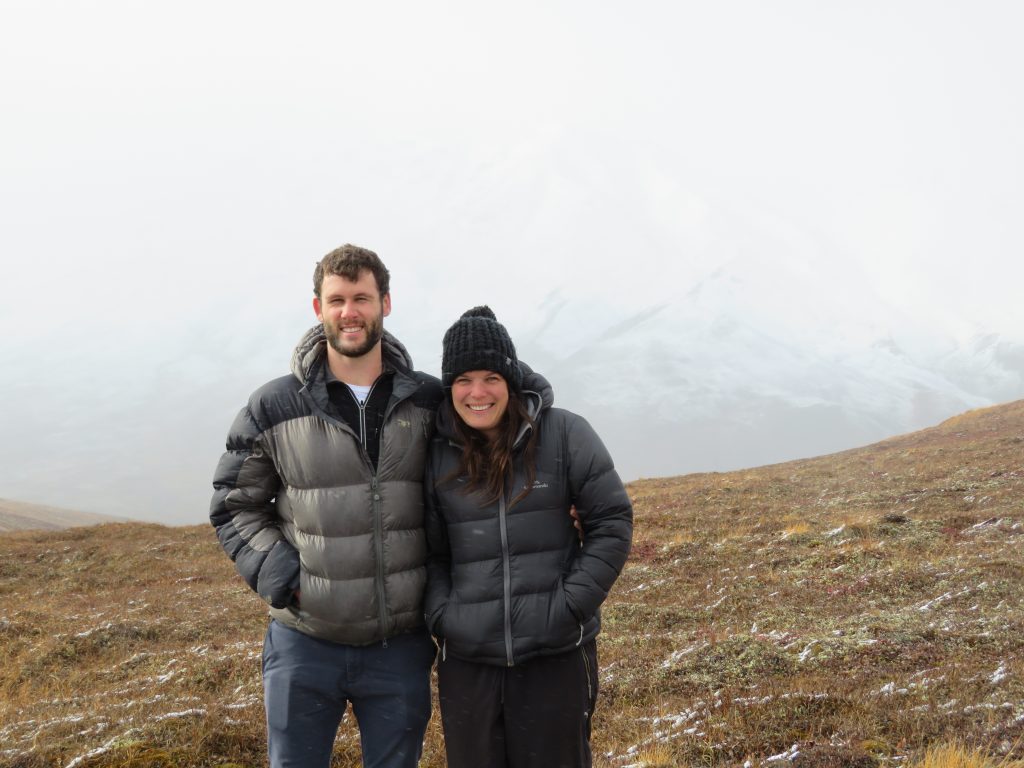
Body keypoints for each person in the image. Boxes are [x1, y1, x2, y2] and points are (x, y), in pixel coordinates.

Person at [209, 245, 442, 768]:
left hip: (399, 645)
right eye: (337, 299)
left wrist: (560, 502)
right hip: (303, 642)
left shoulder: (429, 400)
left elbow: (480, 464)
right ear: (318, 309)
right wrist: (282, 573)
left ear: (385, 303)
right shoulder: (274, 405)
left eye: (362, 298)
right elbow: (234, 505)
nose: (349, 312)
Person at [424, 305, 633, 768]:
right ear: (449, 387)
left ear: (511, 380)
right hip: (468, 664)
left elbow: (612, 522)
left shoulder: (564, 434)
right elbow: (429, 551)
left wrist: (569, 606)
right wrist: (446, 617)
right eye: (463, 380)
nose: (478, 392)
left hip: (555, 656)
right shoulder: (434, 452)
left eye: (490, 377)